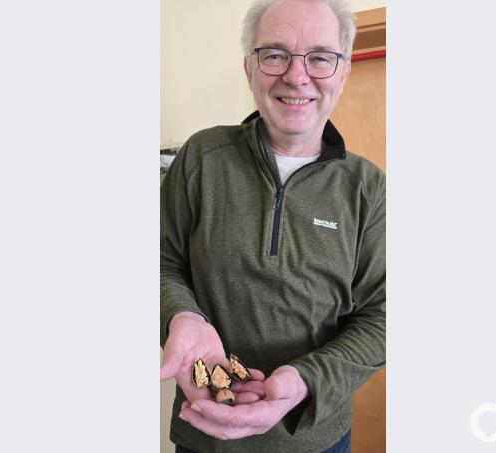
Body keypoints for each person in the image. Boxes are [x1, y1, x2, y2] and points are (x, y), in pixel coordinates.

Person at [160, 0, 385, 451]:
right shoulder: (201, 157)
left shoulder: (369, 187)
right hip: (203, 431)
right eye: (275, 54)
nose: (296, 76)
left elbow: (385, 314)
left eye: (320, 57)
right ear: (249, 68)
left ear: (342, 72)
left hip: (317, 438)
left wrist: (304, 381)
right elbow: (160, 261)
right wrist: (180, 315)